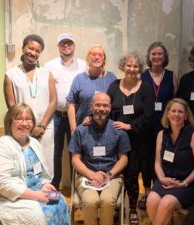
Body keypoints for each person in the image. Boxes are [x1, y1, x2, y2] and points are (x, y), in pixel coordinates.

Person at [0, 103, 70, 225]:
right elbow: (1, 184)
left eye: (28, 119)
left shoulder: (33, 143)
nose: (25, 123)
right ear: (9, 122)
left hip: (36, 191)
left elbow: (41, 173)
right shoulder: (2, 147)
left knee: (60, 201)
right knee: (44, 212)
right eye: (19, 119)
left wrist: (44, 184)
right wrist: (36, 195)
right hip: (8, 198)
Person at [107, 51, 155, 225]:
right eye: (129, 65)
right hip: (117, 140)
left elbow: (149, 115)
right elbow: (106, 108)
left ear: (139, 68)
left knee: (134, 174)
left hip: (139, 140)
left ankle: (133, 208)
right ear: (123, 66)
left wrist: (130, 126)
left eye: (135, 66)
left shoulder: (146, 88)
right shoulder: (113, 86)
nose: (132, 69)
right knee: (121, 174)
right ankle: (117, 206)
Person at [68, 93, 131, 225]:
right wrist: (91, 174)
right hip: (86, 176)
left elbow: (124, 159)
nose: (101, 108)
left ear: (109, 108)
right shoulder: (81, 130)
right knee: (90, 202)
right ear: (91, 106)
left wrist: (109, 174)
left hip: (111, 176)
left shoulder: (119, 130)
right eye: (97, 105)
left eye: (105, 105)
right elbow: (75, 159)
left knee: (107, 201)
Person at [3, 34, 57, 177]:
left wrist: (42, 126)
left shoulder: (46, 74)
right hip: (22, 126)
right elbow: (12, 106)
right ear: (23, 48)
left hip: (46, 127)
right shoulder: (11, 75)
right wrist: (28, 126)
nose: (33, 53)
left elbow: (53, 101)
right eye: (30, 48)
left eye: (37, 51)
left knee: (46, 161)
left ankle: (46, 192)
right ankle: (28, 194)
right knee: (24, 161)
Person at [146, 98, 194, 225]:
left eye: (180, 112)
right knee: (151, 201)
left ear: (186, 116)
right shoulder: (161, 134)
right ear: (167, 114)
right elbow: (157, 163)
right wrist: (161, 178)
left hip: (186, 183)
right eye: (173, 111)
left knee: (166, 203)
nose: (176, 114)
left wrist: (183, 184)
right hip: (165, 180)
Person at [44, 33, 86, 189]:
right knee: (55, 151)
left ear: (74, 46)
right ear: (58, 46)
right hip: (56, 115)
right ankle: (55, 184)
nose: (66, 46)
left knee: (75, 151)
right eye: (63, 43)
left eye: (69, 43)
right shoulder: (49, 66)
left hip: (76, 116)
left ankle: (77, 186)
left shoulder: (83, 65)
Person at [139, 41, 178, 209]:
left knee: (163, 159)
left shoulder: (171, 76)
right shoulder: (142, 76)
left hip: (165, 126)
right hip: (147, 126)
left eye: (159, 54)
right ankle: (147, 192)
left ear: (165, 57)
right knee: (146, 160)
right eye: (153, 54)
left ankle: (159, 190)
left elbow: (176, 100)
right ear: (149, 57)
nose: (156, 57)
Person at [67, 44, 116, 134]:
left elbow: (115, 103)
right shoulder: (79, 79)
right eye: (93, 54)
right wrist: (73, 129)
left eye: (100, 55)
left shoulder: (111, 78)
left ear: (103, 59)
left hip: (106, 129)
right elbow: (71, 104)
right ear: (88, 58)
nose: (97, 57)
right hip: (83, 127)